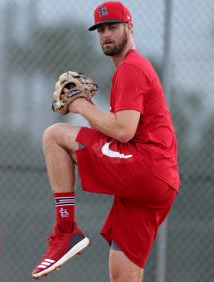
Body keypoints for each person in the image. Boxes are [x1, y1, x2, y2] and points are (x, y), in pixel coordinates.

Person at [32, 2, 179, 281]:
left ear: (129, 28)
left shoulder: (131, 68)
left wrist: (80, 106)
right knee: (123, 273)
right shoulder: (130, 69)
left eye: (113, 27)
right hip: (157, 182)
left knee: (55, 136)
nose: (106, 34)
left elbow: (122, 131)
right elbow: (119, 129)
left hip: (146, 167)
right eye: (100, 29)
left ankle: (65, 231)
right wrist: (88, 106)